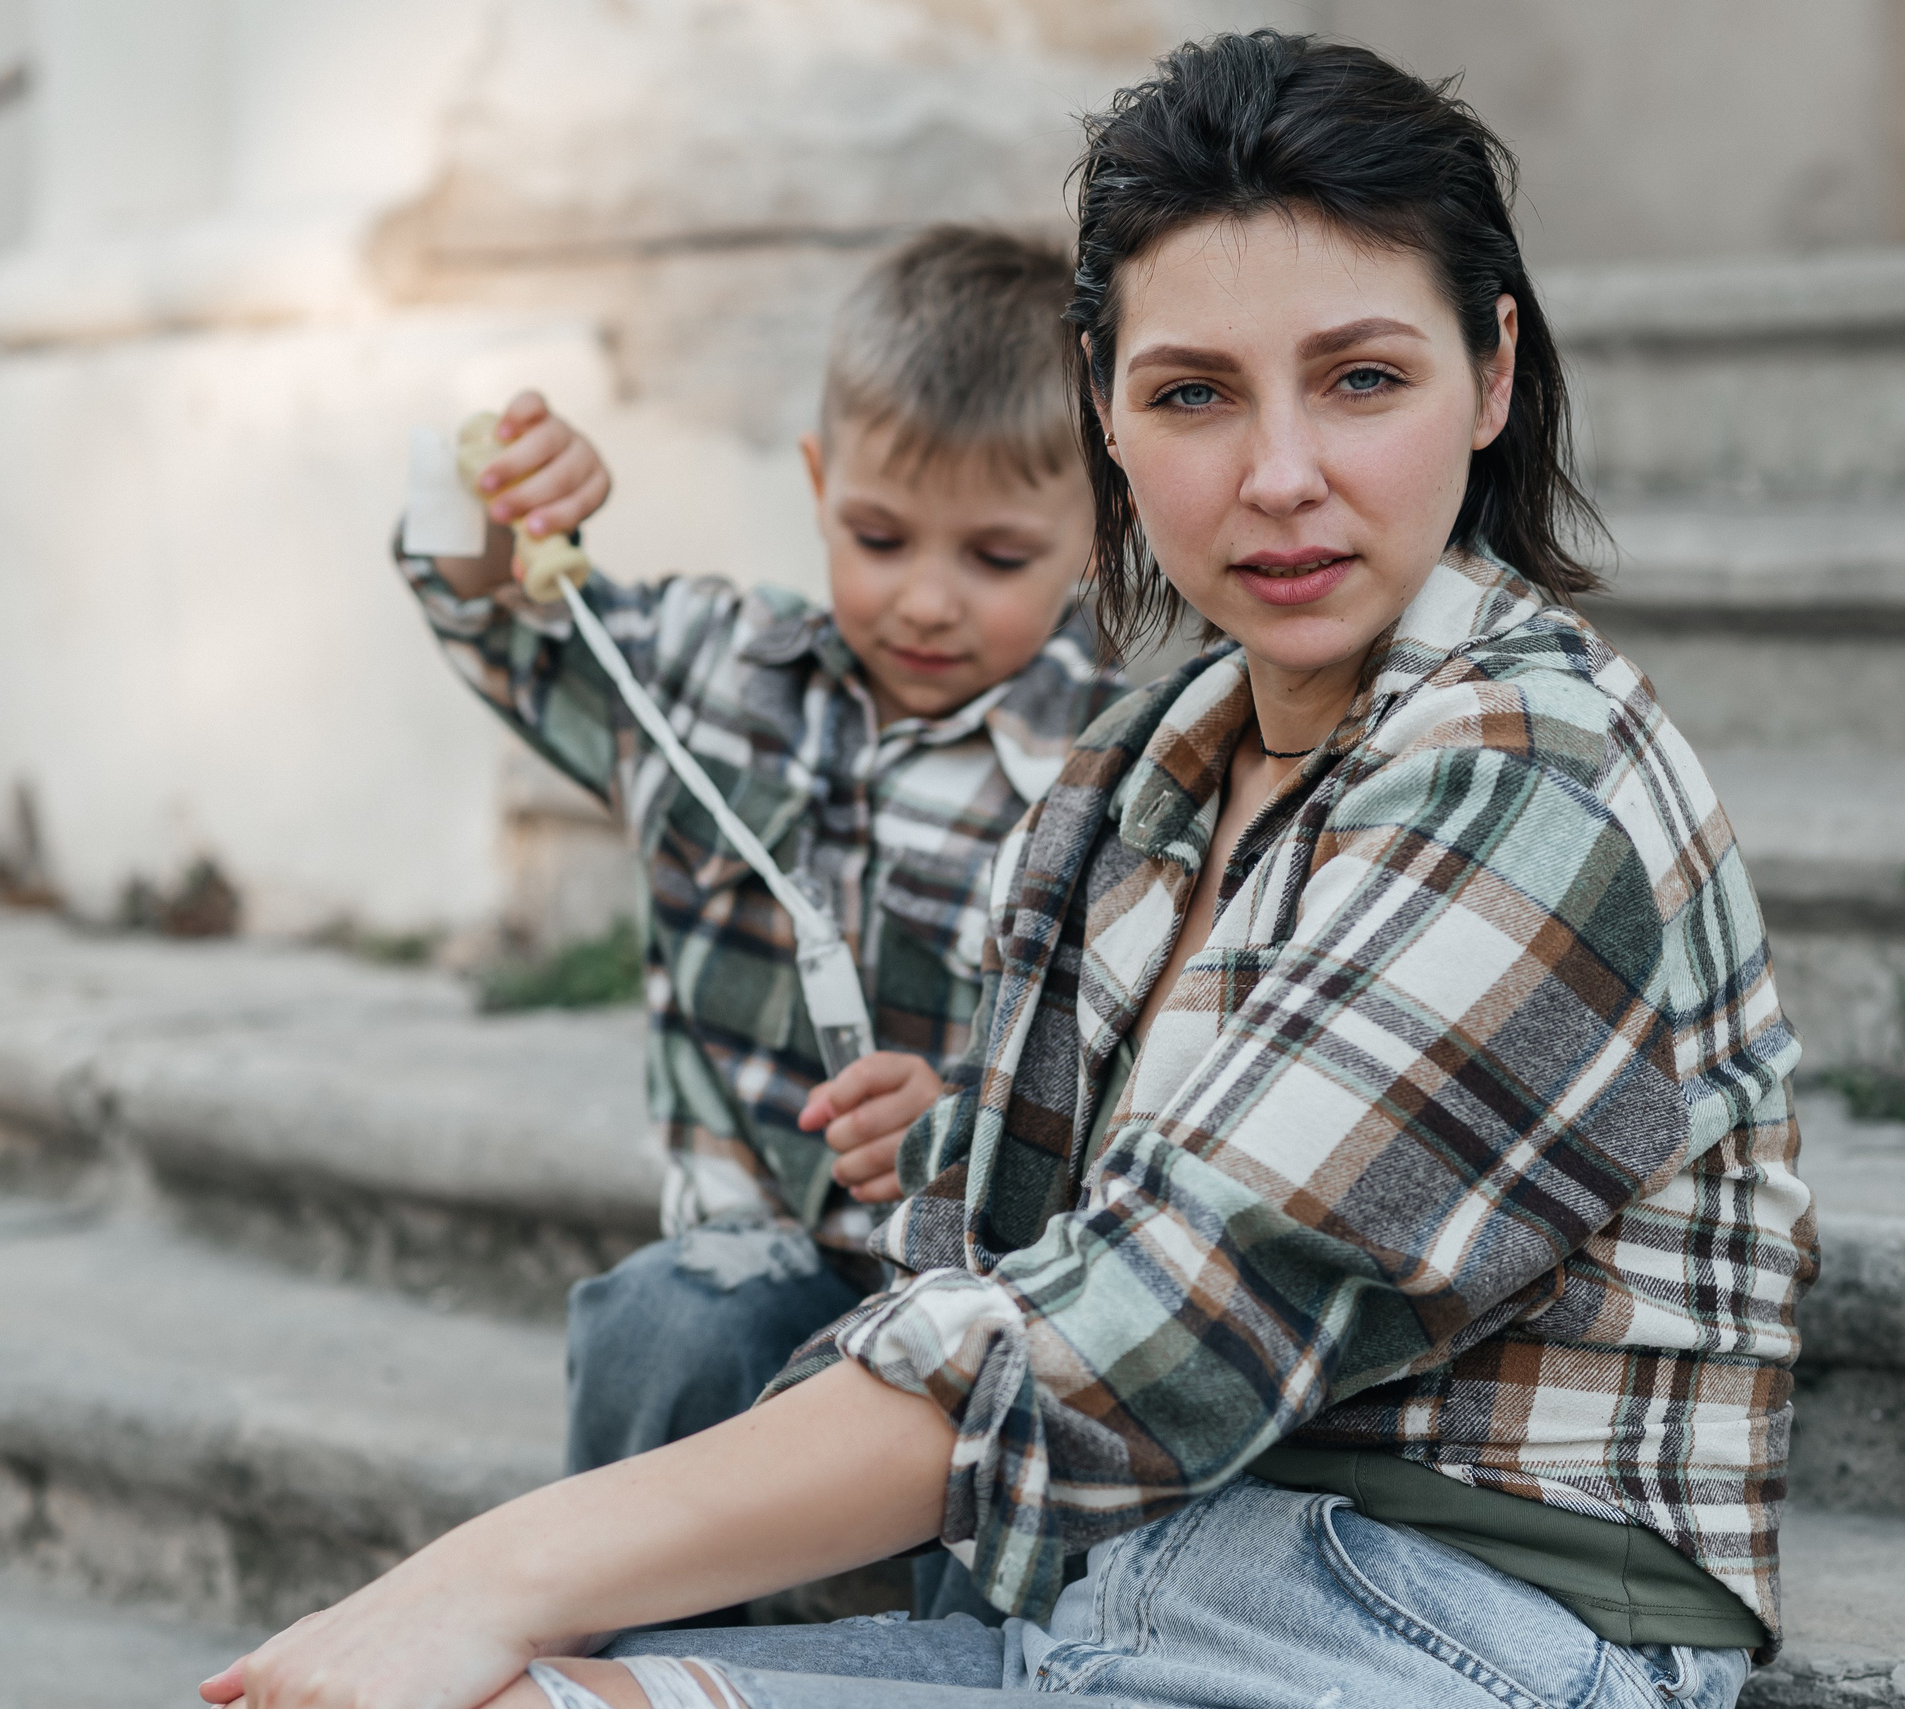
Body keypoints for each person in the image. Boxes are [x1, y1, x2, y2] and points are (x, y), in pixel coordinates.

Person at [209, 31, 1815, 1709]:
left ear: (1488, 376)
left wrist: (488, 1573)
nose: (1277, 477)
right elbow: (975, 1271)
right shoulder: (1146, 768)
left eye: (1361, 379)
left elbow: (1148, 1323)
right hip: (1102, 1591)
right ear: (1107, 416)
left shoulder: (1533, 776)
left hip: (1439, 1627)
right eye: (1192, 392)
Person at [393, 226, 1123, 1613]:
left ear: (1099, 532)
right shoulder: (713, 674)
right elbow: (481, 610)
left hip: (989, 1299)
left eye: (996, 555)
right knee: (667, 1317)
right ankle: (614, 1640)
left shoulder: (1122, 767)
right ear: (815, 484)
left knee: (1046, 1478)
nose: (924, 596)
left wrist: (968, 1126)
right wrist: (499, 504)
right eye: (879, 535)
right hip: (757, 1265)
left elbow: (1157, 1073)